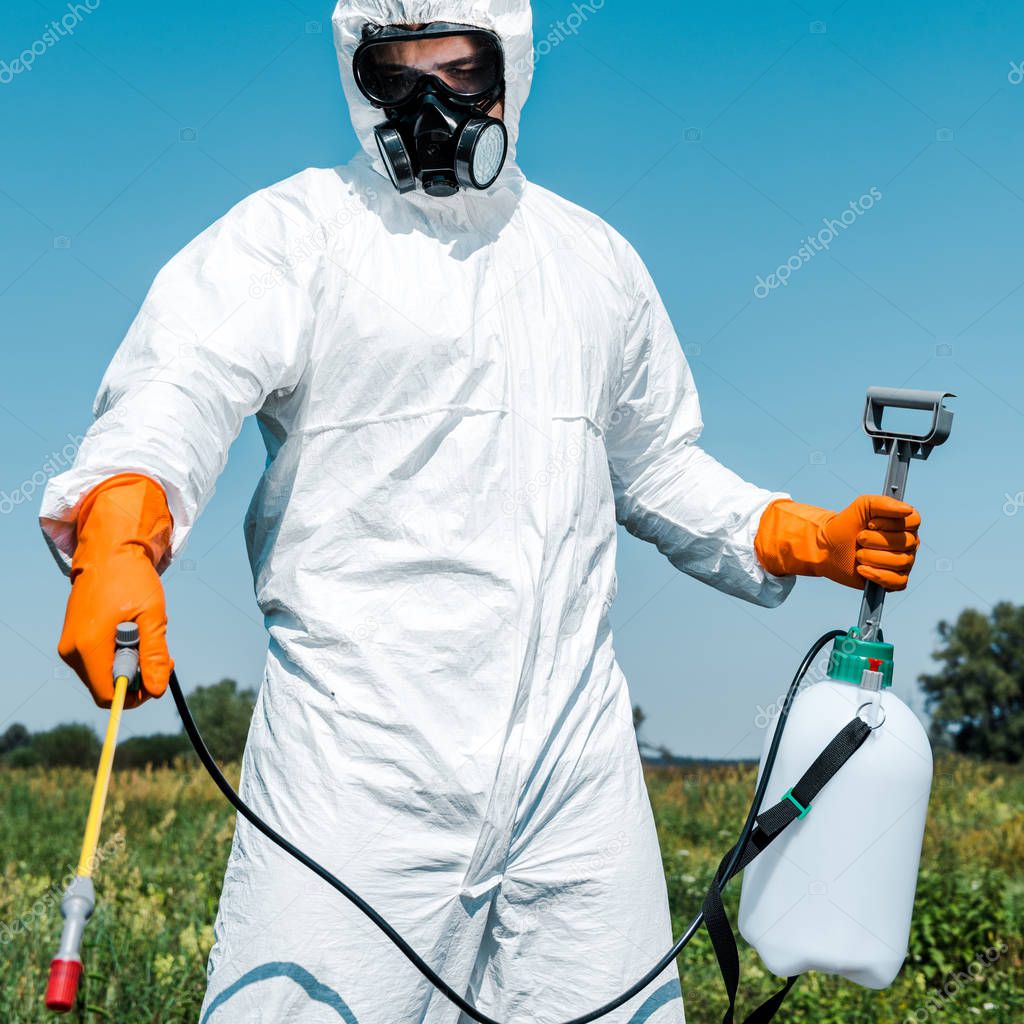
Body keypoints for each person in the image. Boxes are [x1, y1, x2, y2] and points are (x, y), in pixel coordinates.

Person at [40, 2, 921, 1022]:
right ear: (354, 78)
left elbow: (654, 465)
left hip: (573, 770)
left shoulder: (592, 261)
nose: (427, 105)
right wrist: (119, 528)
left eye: (457, 69)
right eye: (393, 75)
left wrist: (796, 533)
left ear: (511, 67)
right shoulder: (295, 234)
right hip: (354, 767)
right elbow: (175, 387)